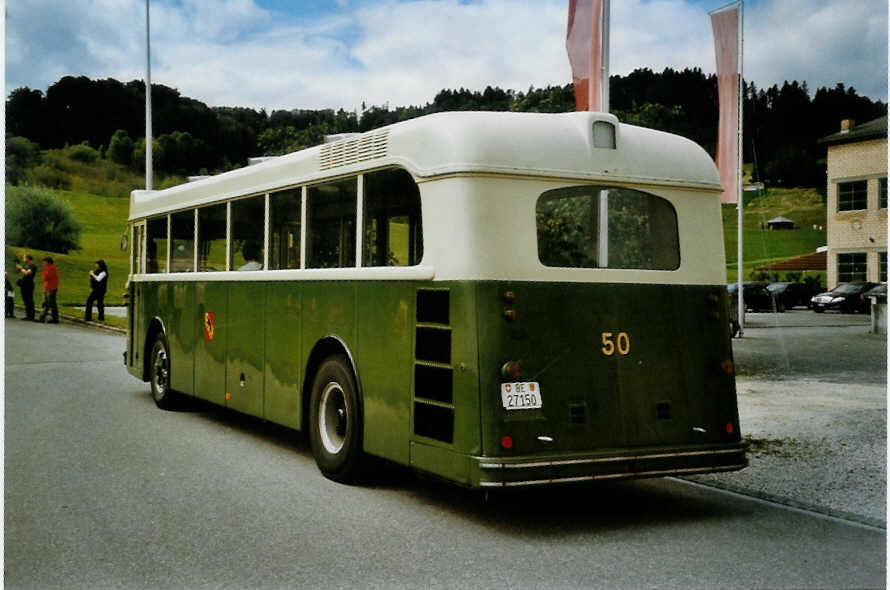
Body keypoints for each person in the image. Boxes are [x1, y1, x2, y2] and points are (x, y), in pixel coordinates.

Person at [14, 253, 37, 321]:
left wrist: (21, 268)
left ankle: (31, 316)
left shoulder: (33, 265)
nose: (23, 259)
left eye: (24, 257)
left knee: (29, 300)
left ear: (28, 258)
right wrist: (17, 266)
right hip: (24, 285)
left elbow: (27, 273)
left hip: (29, 285)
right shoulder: (25, 265)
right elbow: (19, 271)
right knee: (25, 300)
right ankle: (28, 315)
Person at [38, 256, 60, 324]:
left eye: (44, 262)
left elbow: (45, 277)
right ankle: (44, 317)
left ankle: (45, 317)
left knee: (49, 303)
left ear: (48, 262)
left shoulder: (51, 268)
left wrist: (44, 275)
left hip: (51, 288)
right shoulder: (49, 268)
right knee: (48, 303)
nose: (43, 263)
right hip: (48, 287)